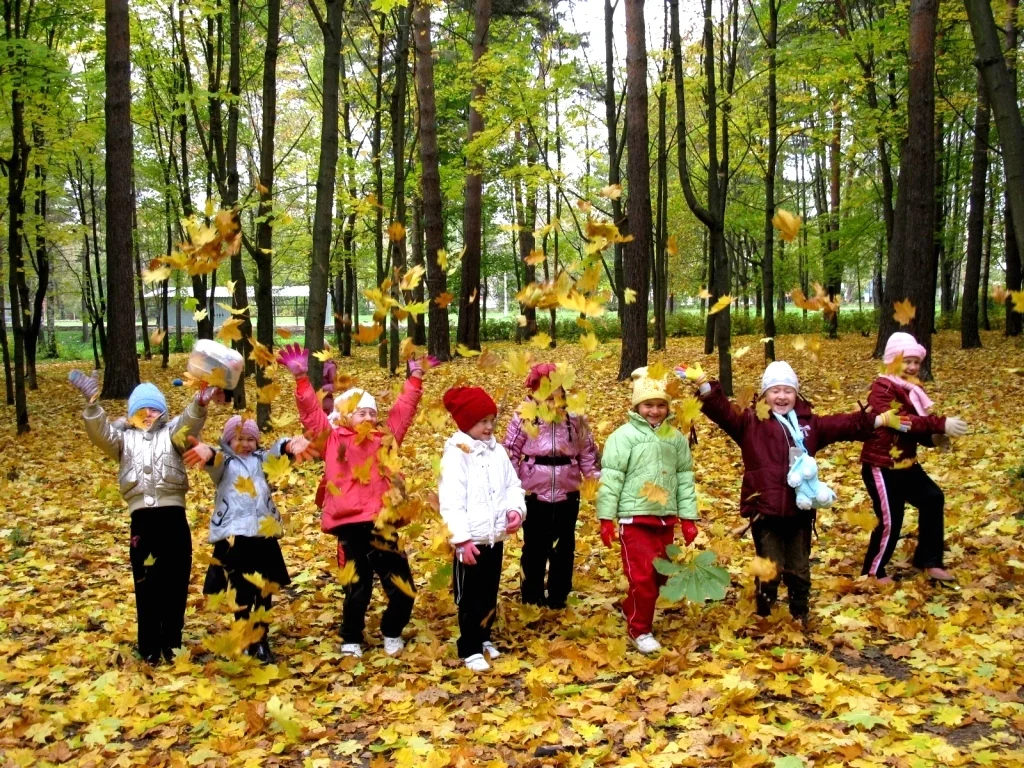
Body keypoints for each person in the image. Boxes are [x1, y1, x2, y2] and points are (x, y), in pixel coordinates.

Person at [694, 360, 892, 624]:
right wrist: (706, 388)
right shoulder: (750, 422)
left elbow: (843, 425)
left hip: (801, 509)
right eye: (775, 390)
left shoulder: (809, 424)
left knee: (799, 566)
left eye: (788, 390)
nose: (782, 396)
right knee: (769, 564)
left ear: (796, 394)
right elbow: (723, 412)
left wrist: (876, 419)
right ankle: (765, 612)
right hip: (765, 509)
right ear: (764, 394)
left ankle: (800, 612)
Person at [278, 344, 429, 658]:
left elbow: (403, 413)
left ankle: (391, 630)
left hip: (383, 522)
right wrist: (302, 380)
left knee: (403, 587)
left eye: (372, 411)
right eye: (362, 410)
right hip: (350, 525)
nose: (369, 415)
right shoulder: (332, 439)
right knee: (357, 590)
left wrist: (414, 379)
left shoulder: (384, 439)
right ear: (345, 414)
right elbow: (311, 415)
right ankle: (351, 637)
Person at [69, 371, 218, 664]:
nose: (148, 414)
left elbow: (189, 421)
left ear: (163, 412)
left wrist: (199, 403)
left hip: (173, 519)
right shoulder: (122, 439)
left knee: (175, 582)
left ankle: (172, 643)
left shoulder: (172, 433)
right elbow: (100, 433)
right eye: (141, 409)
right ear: (131, 413)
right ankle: (149, 646)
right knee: (146, 583)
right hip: (143, 524)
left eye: (154, 408)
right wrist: (92, 405)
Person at [184, 415, 318, 663]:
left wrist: (289, 446)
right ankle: (244, 636)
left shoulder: (261, 461)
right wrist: (208, 452)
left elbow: (276, 454)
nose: (245, 444)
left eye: (250, 439)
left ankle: (261, 638)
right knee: (241, 592)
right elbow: (214, 460)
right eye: (238, 439)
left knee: (264, 591)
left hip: (262, 536)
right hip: (235, 539)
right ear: (227, 441)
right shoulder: (225, 464)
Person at [596, 366, 699, 654]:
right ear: (637, 406)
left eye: (660, 405)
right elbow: (612, 476)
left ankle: (633, 607)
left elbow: (684, 478)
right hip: (635, 519)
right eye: (648, 405)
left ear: (668, 406)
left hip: (665, 519)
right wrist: (607, 518)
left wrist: (688, 518)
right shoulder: (623, 436)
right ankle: (640, 629)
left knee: (659, 577)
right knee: (642, 577)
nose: (654, 411)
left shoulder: (676, 438)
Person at [860, 332, 969, 585]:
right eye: (905, 361)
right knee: (890, 519)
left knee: (932, 498)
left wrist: (933, 438)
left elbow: (914, 428)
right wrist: (940, 423)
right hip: (882, 465)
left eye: (915, 362)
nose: (911, 367)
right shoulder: (881, 388)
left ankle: (929, 561)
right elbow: (900, 422)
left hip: (906, 463)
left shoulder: (910, 390)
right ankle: (872, 572)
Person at [439, 386, 526, 672]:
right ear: (466, 423)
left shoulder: (497, 452)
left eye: (492, 420)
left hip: (493, 536)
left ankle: (484, 636)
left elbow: (512, 486)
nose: (489, 427)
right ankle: (470, 646)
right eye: (482, 422)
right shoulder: (456, 455)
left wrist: (515, 510)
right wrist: (460, 539)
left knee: (489, 591)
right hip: (470, 539)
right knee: (470, 595)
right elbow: (451, 501)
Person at [503, 363, 601, 609]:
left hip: (568, 492)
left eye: (556, 390)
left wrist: (594, 481)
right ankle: (532, 595)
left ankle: (559, 595)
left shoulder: (576, 417)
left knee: (564, 546)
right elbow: (511, 452)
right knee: (535, 546)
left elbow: (587, 452)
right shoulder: (525, 415)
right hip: (534, 492)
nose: (551, 397)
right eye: (543, 391)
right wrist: (511, 488)